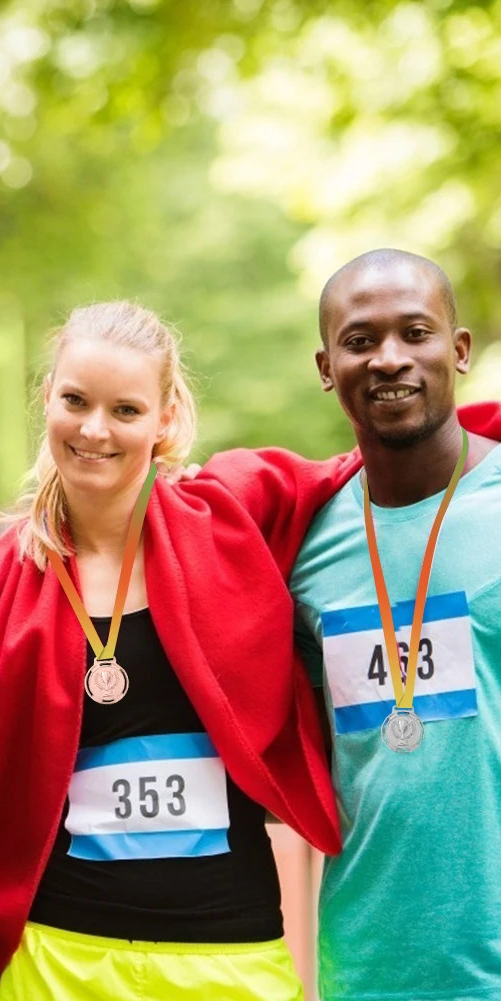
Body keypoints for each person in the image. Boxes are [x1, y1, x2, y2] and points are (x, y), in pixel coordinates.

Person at [0, 301, 346, 1000]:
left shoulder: (229, 514)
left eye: (125, 409)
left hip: (229, 955)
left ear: (164, 417)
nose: (94, 429)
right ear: (48, 402)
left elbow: (376, 459)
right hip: (56, 958)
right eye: (75, 401)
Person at [289, 249, 501, 1001]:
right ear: (325, 366)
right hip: (367, 968)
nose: (388, 359)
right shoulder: (306, 548)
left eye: (414, 332)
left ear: (459, 349)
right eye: (358, 340)